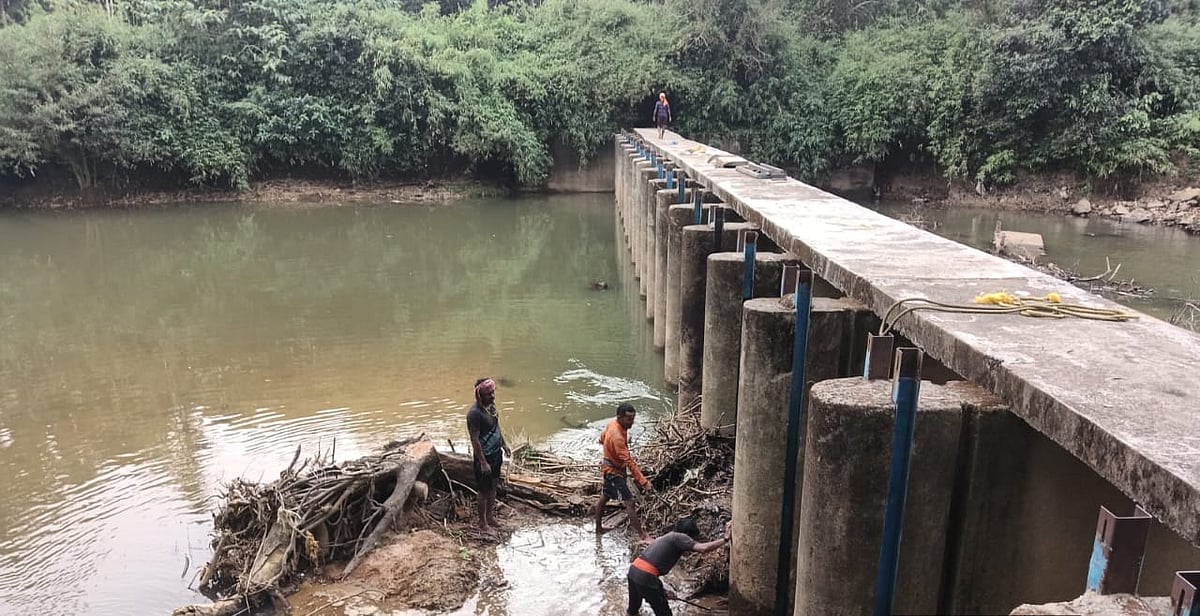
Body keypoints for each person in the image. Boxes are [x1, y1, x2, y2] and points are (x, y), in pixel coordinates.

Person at [626, 518, 731, 616]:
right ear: (688, 534)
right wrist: (725, 539)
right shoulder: (680, 537)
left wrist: (663, 592)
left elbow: (650, 568)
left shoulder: (667, 537)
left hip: (633, 571)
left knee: (632, 611)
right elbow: (703, 548)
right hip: (646, 576)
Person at [596, 403, 653, 542]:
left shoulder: (612, 424)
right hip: (613, 472)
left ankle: (598, 528)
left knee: (605, 497)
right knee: (630, 502)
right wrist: (644, 482)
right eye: (629, 419)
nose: (632, 422)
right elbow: (629, 462)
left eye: (633, 418)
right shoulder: (617, 438)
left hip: (610, 467)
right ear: (620, 417)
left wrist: (609, 449)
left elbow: (601, 438)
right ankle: (643, 536)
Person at [466, 377, 510, 534]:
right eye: (488, 394)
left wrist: (504, 444)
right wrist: (483, 462)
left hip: (496, 453)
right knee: (483, 490)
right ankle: (482, 523)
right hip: (484, 457)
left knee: (493, 487)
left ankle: (490, 517)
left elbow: (497, 427)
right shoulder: (474, 414)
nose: (492, 396)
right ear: (480, 395)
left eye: (493, 392)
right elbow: (474, 439)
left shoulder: (491, 407)